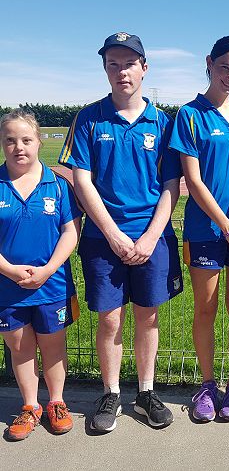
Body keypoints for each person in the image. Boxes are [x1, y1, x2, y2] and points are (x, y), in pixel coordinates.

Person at [58, 32, 183, 432]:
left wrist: (150, 237)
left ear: (144, 68)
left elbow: (171, 184)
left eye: (129, 63)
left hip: (152, 238)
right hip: (102, 239)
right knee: (110, 320)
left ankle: (146, 392)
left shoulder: (163, 122)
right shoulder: (89, 118)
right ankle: (111, 392)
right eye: (113, 64)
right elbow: (82, 179)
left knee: (148, 317)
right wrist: (112, 234)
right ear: (105, 69)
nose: (121, 71)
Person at [169, 36, 229, 422]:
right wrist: (226, 226)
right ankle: (207, 385)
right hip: (207, 231)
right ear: (209, 63)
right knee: (206, 309)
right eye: (225, 67)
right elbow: (193, 180)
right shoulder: (190, 115)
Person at [0, 109, 81, 440]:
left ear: (38, 141)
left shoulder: (58, 185)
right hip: (8, 286)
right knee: (20, 348)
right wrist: (9, 270)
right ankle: (30, 406)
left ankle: (57, 402)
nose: (19, 147)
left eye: (26, 139)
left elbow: (71, 231)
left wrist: (48, 270)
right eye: (10, 140)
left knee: (52, 345)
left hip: (52, 285)